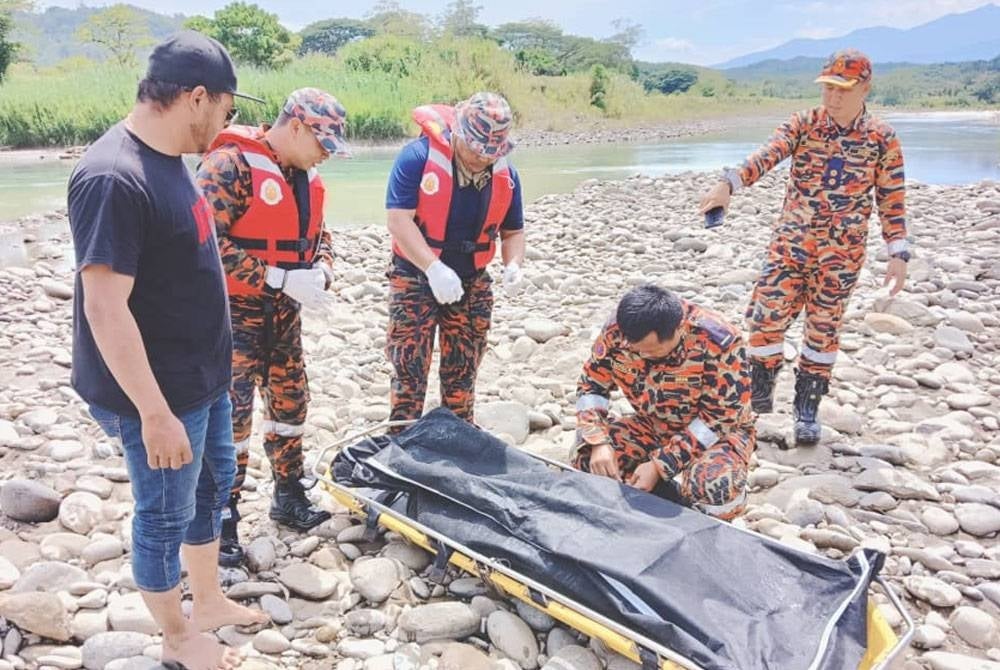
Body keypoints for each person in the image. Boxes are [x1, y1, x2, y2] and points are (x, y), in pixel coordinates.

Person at [68, 31, 268, 670]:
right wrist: (153, 413)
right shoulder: (112, 177)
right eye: (228, 110)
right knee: (163, 514)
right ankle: (178, 638)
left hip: (201, 379)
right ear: (197, 96)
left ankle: (205, 600)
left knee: (213, 486)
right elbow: (104, 306)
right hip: (156, 396)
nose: (227, 124)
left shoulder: (170, 155)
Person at [698, 49, 908, 445]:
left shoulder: (882, 139)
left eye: (842, 89)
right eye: (827, 88)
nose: (832, 97)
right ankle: (758, 398)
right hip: (790, 247)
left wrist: (898, 252)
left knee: (822, 332)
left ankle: (806, 409)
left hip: (841, 256)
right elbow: (767, 155)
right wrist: (729, 184)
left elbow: (892, 198)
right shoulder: (805, 123)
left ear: (865, 87)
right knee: (764, 320)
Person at [196, 88, 349, 566]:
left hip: (284, 317)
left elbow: (321, 236)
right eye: (323, 142)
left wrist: (321, 271)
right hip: (231, 319)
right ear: (297, 126)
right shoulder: (228, 167)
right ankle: (221, 519)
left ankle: (289, 496)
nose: (326, 154)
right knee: (231, 423)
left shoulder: (307, 177)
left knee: (291, 405)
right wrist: (276, 277)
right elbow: (203, 245)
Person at [384, 92, 526, 429]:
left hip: (472, 279)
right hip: (416, 276)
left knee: (463, 371)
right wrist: (432, 268)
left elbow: (513, 232)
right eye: (477, 149)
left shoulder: (506, 176)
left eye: (490, 152)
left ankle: (458, 439)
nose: (482, 158)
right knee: (409, 369)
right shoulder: (416, 158)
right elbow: (398, 221)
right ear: (459, 133)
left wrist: (513, 265)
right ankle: (401, 441)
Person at [573, 284, 755, 521]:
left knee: (714, 486)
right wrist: (597, 441)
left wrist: (660, 465)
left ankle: (711, 524)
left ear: (679, 330)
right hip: (652, 424)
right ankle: (649, 507)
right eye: (637, 351)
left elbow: (720, 418)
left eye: (652, 351)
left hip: (714, 434)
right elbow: (591, 385)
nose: (643, 356)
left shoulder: (719, 341)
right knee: (589, 460)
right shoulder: (619, 330)